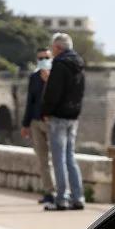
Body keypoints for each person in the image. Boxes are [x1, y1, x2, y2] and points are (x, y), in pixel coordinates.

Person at [39, 32, 86, 211]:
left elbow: (54, 92)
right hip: (73, 116)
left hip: (58, 116)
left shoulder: (59, 63)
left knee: (58, 158)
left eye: (53, 48)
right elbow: (79, 91)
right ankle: (78, 197)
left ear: (58, 48)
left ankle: (61, 199)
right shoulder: (79, 64)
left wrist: (46, 111)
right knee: (70, 157)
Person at [21, 48, 55, 207]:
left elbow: (56, 98)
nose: (43, 60)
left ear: (51, 57)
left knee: (57, 158)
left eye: (46, 57)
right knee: (42, 159)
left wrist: (49, 81)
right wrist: (25, 124)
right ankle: (49, 192)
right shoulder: (34, 77)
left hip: (52, 122)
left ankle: (62, 193)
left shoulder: (56, 76)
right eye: (40, 58)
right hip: (35, 122)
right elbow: (30, 101)